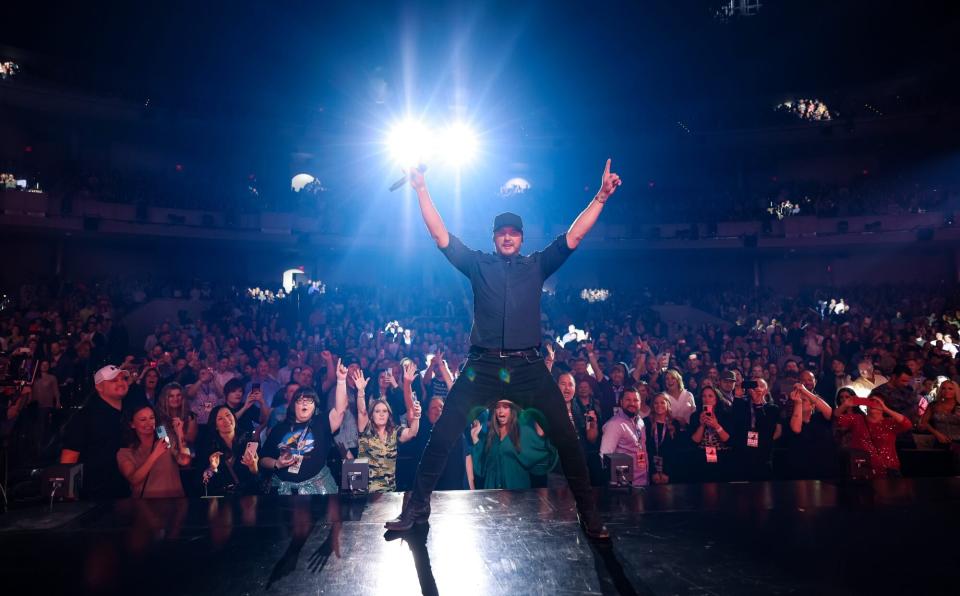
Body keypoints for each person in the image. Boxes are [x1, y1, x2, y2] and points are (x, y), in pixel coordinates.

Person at [387, 159, 621, 540]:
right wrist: (421, 189)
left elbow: (573, 237)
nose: (508, 237)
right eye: (502, 233)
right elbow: (441, 236)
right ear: (494, 237)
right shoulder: (478, 264)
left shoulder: (537, 265)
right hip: (482, 367)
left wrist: (601, 197)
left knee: (567, 438)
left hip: (529, 367)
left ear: (522, 238)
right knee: (443, 435)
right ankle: (415, 509)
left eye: (514, 233)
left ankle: (590, 516)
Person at [60, 365, 133, 499]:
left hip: (123, 491)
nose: (121, 383)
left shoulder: (130, 411)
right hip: (94, 494)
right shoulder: (85, 416)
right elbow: (69, 456)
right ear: (99, 387)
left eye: (123, 379)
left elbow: (158, 426)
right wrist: (67, 495)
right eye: (113, 381)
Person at [260, 383, 346, 495]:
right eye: (300, 400)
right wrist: (277, 463)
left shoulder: (321, 423)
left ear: (315, 406)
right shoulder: (279, 428)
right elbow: (262, 459)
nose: (304, 403)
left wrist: (341, 380)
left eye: (310, 400)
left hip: (317, 491)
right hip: (284, 493)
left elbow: (340, 410)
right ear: (293, 405)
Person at [355, 367, 422, 493]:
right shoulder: (366, 429)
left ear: (389, 415)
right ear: (372, 414)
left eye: (384, 411)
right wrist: (360, 392)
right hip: (362, 491)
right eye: (377, 411)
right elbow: (361, 411)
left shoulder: (395, 431)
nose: (381, 414)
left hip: (387, 491)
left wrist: (417, 417)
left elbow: (412, 432)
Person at [469, 400, 558, 490]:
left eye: (505, 407)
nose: (501, 411)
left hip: (515, 493)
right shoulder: (491, 434)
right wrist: (475, 437)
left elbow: (543, 454)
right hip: (492, 493)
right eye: (497, 407)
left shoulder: (523, 432)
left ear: (512, 410)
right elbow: (482, 467)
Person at [117, 404, 192, 498]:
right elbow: (133, 479)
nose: (149, 423)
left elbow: (185, 460)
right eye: (143, 420)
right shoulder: (125, 452)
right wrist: (155, 454)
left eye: (152, 418)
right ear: (132, 424)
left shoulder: (165, 440)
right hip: (145, 506)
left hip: (174, 503)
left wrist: (180, 433)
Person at [834, 393, 913, 478]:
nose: (874, 404)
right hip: (863, 468)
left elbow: (907, 424)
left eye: (878, 402)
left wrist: (886, 409)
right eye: (871, 401)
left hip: (888, 469)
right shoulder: (857, 419)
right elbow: (835, 418)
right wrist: (845, 405)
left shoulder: (890, 423)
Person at [199, 405, 261, 496]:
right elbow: (203, 483)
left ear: (234, 418)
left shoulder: (248, 443)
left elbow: (257, 481)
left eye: (228, 415)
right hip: (222, 500)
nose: (226, 420)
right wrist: (213, 468)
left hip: (246, 498)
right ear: (215, 426)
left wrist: (253, 468)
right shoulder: (209, 447)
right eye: (220, 418)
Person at [783, 380, 836, 479]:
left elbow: (829, 411)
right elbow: (796, 429)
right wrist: (798, 402)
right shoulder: (790, 419)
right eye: (800, 400)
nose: (801, 402)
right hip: (801, 468)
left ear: (812, 406)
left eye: (804, 401)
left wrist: (804, 390)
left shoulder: (821, 418)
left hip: (823, 466)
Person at [731, 378, 782, 480]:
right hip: (743, 452)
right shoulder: (742, 405)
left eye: (761, 386)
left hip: (763, 453)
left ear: (766, 391)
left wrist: (758, 403)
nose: (757, 389)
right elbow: (735, 422)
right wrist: (737, 396)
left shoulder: (772, 408)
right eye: (754, 386)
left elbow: (766, 428)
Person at [599, 388, 649, 487]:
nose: (632, 403)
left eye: (636, 400)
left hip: (644, 481)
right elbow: (605, 457)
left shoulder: (640, 421)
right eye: (628, 400)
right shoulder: (614, 424)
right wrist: (620, 483)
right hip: (627, 486)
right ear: (621, 402)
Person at [688, 386, 733, 482]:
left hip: (722, 457)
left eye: (710, 396)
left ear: (716, 399)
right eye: (704, 396)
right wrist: (702, 425)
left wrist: (716, 426)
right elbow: (694, 442)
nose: (706, 399)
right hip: (702, 457)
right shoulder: (695, 416)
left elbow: (729, 441)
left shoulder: (726, 415)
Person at [644, 393, 684, 484]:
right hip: (650, 469)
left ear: (668, 404)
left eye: (662, 403)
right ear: (652, 405)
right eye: (656, 403)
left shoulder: (675, 423)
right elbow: (646, 449)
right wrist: (653, 472)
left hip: (670, 469)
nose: (659, 405)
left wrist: (666, 472)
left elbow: (674, 451)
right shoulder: (646, 422)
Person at [156, 382, 199, 449]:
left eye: (178, 395)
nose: (175, 399)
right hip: (166, 452)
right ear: (165, 398)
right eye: (171, 396)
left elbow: (191, 439)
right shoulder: (158, 417)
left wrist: (179, 431)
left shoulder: (190, 416)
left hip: (186, 451)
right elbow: (163, 441)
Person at [918, 380, 960, 445]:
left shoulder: (958, 407)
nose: (946, 391)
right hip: (937, 441)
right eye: (943, 388)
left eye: (950, 389)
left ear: (956, 391)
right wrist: (937, 434)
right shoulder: (933, 405)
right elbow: (924, 422)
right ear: (940, 391)